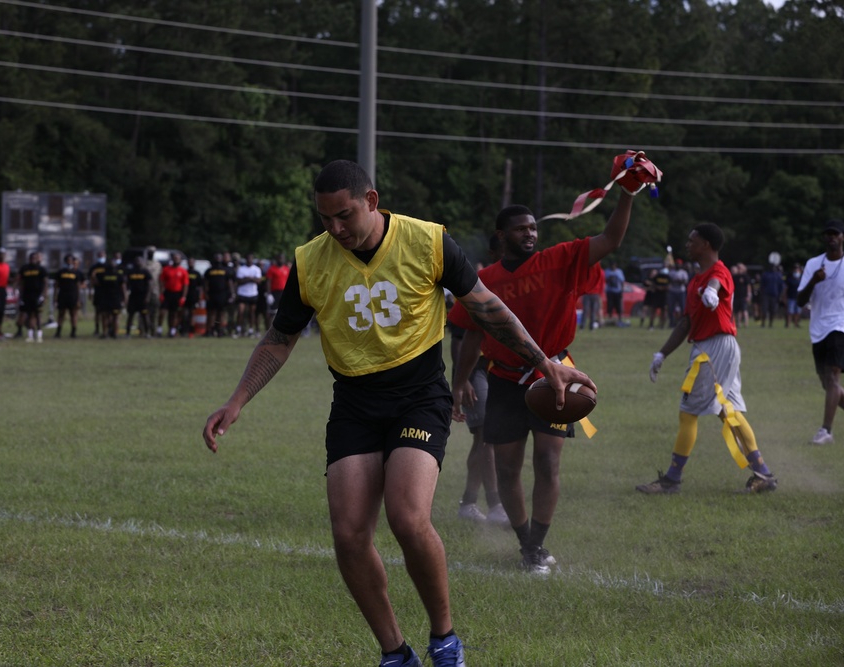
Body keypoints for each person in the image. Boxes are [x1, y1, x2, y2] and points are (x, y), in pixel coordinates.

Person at [203, 160, 593, 667]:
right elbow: (280, 338)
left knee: (408, 518)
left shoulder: (428, 241)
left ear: (371, 201)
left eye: (344, 215)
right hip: (354, 403)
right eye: (325, 219)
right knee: (348, 534)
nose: (335, 229)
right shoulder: (311, 260)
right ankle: (395, 652)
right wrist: (236, 401)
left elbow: (484, 306)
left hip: (417, 396)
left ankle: (445, 639)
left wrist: (545, 363)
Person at [449, 169, 636, 575]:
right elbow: (470, 337)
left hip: (553, 376)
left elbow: (611, 240)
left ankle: (536, 545)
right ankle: (525, 544)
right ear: (501, 236)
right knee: (507, 468)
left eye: (533, 227)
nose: (530, 234)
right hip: (503, 379)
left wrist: (628, 193)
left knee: (548, 464)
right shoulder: (483, 281)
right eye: (520, 230)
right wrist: (460, 382)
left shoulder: (561, 259)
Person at [639, 223, 777, 494]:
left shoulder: (718, 272)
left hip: (712, 350)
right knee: (729, 413)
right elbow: (685, 323)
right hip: (715, 347)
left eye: (692, 241)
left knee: (687, 413)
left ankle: (672, 480)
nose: (688, 245)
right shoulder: (694, 281)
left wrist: (713, 292)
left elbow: (717, 283)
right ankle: (764, 474)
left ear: (706, 245)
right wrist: (661, 354)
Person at [451, 233, 507, 526]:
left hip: (502, 371)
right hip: (476, 371)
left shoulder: (515, 281)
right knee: (488, 439)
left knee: (484, 442)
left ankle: (468, 502)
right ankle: (496, 505)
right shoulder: (476, 284)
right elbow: (458, 339)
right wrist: (465, 379)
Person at [796, 219, 844, 446]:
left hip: (842, 325)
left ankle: (826, 431)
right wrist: (814, 280)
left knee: (832, 377)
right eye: (828, 234)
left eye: (835, 234)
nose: (831, 237)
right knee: (828, 383)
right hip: (818, 329)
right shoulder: (813, 264)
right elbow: (800, 300)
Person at [18, 251, 49, 343]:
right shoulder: (25, 269)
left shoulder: (41, 269)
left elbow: (45, 282)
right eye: (31, 258)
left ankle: (39, 334)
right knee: (30, 314)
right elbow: (21, 283)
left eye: (35, 258)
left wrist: (43, 295)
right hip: (27, 295)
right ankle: (30, 335)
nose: (33, 260)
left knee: (38, 315)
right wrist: (21, 295)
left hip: (37, 295)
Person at [53, 254, 86, 338]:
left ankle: (73, 332)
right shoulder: (60, 272)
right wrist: (55, 297)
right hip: (62, 296)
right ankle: (58, 331)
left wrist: (78, 299)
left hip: (73, 296)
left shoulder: (76, 273)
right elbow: (56, 286)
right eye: (68, 260)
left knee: (73, 314)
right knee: (61, 314)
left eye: (71, 260)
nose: (69, 262)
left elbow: (79, 286)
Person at [94, 255, 125, 339]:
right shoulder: (107, 274)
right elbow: (97, 284)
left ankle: (111, 333)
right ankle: (108, 333)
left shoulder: (116, 274)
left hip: (112, 298)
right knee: (107, 316)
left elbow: (123, 287)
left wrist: (124, 298)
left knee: (112, 317)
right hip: (108, 298)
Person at [160, 252, 189, 338]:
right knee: (163, 312)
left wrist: (183, 297)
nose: (176, 260)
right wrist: (161, 293)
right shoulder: (166, 269)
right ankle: (159, 329)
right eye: (175, 258)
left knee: (174, 313)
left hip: (177, 293)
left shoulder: (183, 271)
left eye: (178, 258)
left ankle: (172, 330)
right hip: (167, 293)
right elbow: (162, 282)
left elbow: (185, 285)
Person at [204, 252, 232, 338]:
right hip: (212, 294)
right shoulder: (209, 271)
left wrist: (231, 294)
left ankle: (219, 329)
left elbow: (229, 283)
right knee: (211, 313)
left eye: (219, 258)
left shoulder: (225, 270)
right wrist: (205, 293)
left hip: (222, 295)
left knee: (221, 313)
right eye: (216, 258)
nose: (218, 260)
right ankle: (209, 330)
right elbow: (205, 283)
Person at [233, 253, 262, 338]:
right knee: (240, 311)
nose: (249, 260)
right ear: (246, 259)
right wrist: (251, 279)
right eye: (248, 259)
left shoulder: (256, 269)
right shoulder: (241, 269)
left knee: (251, 313)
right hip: (242, 293)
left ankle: (251, 330)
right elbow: (239, 281)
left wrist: (247, 278)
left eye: (251, 259)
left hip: (253, 294)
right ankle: (238, 330)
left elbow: (258, 281)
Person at [124, 255, 152, 337]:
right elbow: (126, 283)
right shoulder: (131, 272)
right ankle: (127, 333)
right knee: (131, 315)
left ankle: (147, 332)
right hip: (133, 296)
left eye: (139, 261)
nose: (138, 263)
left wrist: (148, 296)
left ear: (142, 262)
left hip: (142, 296)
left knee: (144, 315)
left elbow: (150, 285)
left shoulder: (145, 272)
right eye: (136, 261)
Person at [666, 258, 689, 328]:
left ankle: (682, 323)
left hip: (681, 291)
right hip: (672, 291)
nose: (678, 265)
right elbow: (668, 281)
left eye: (679, 264)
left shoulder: (683, 272)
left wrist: (680, 281)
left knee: (683, 307)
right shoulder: (671, 272)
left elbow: (686, 282)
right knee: (671, 308)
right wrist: (674, 281)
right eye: (677, 264)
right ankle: (672, 323)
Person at [604, 260, 626, 326]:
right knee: (610, 305)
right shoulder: (607, 271)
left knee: (618, 305)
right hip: (610, 291)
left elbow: (622, 281)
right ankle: (610, 319)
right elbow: (605, 280)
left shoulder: (619, 271)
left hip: (617, 291)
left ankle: (620, 318)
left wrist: (622, 290)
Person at [785, 263, 803, 328]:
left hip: (799, 298)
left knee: (797, 312)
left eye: (797, 269)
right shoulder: (790, 278)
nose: (796, 270)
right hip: (791, 297)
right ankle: (788, 324)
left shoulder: (802, 278)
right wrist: (784, 297)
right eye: (795, 269)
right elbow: (786, 288)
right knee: (790, 311)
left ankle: (796, 324)